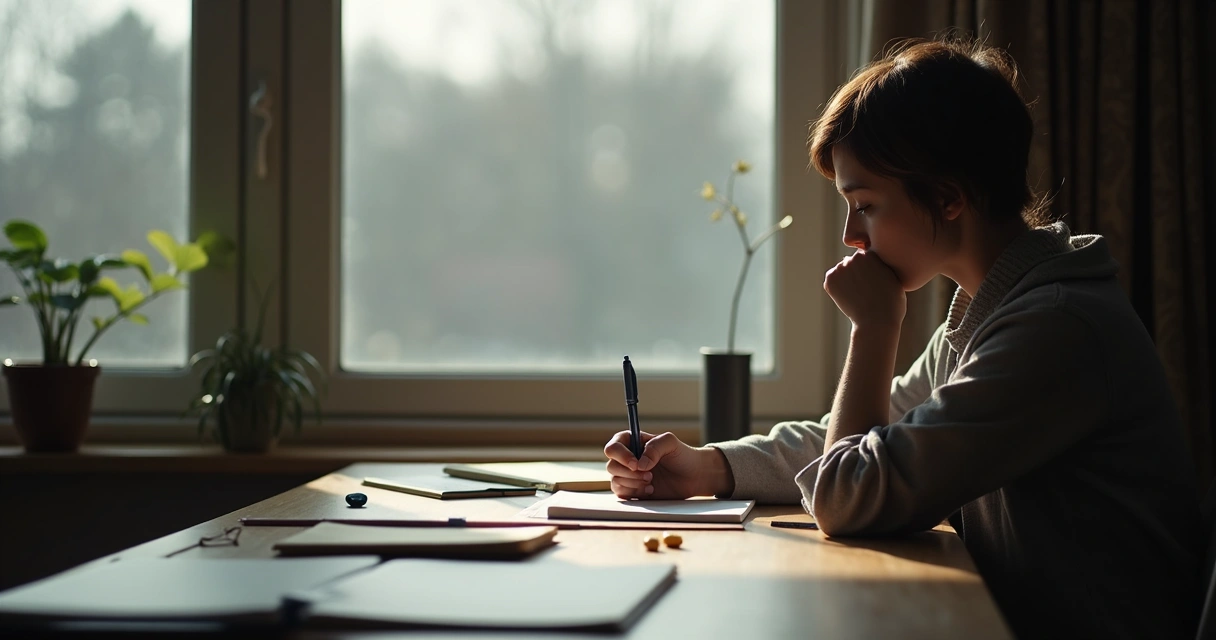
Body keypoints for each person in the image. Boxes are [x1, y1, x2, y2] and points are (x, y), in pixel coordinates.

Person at [603, 38, 1201, 639]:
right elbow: (873, 440)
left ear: (947, 199)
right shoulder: (991, 311)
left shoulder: (1055, 329)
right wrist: (708, 469)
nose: (849, 235)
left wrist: (874, 327)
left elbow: (844, 496)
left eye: (864, 205)